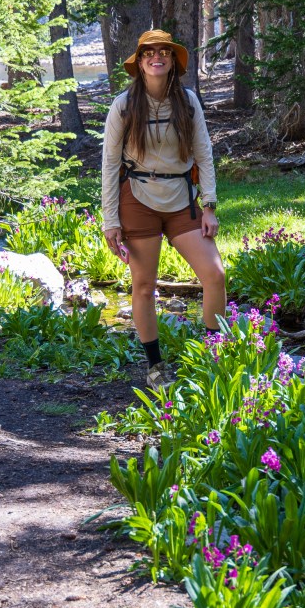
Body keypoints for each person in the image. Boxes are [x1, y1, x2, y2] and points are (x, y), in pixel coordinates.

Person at [101, 29, 226, 385]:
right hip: (137, 199)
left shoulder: (187, 102)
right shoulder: (123, 105)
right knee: (143, 286)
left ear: (173, 61)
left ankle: (211, 358)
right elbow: (110, 165)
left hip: (180, 198)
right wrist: (111, 220)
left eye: (164, 52)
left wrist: (210, 204)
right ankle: (155, 367)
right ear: (139, 62)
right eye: (148, 53)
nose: (156, 57)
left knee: (214, 275)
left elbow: (204, 153)